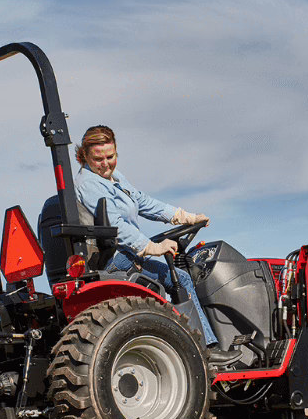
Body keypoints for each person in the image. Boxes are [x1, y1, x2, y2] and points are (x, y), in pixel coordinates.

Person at [73, 125, 221, 352]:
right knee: (181, 279)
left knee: (178, 278)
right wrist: (151, 247)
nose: (105, 164)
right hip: (113, 259)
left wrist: (185, 217)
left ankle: (194, 344)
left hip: (126, 254)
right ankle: (207, 349)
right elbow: (115, 226)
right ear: (84, 156)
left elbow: (143, 202)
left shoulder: (114, 178)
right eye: (98, 159)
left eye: (110, 157)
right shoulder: (90, 184)